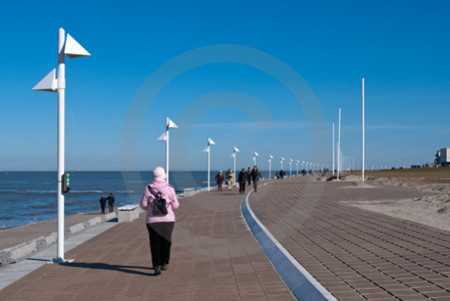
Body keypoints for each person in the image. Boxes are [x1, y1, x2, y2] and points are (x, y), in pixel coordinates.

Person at [140, 167, 179, 276]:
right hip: (168, 220)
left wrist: (152, 209)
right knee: (166, 241)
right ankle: (164, 262)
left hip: (152, 221)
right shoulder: (170, 188)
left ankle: (156, 266)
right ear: (164, 175)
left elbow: (143, 205)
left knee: (154, 243)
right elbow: (176, 205)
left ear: (153, 176)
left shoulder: (148, 189)